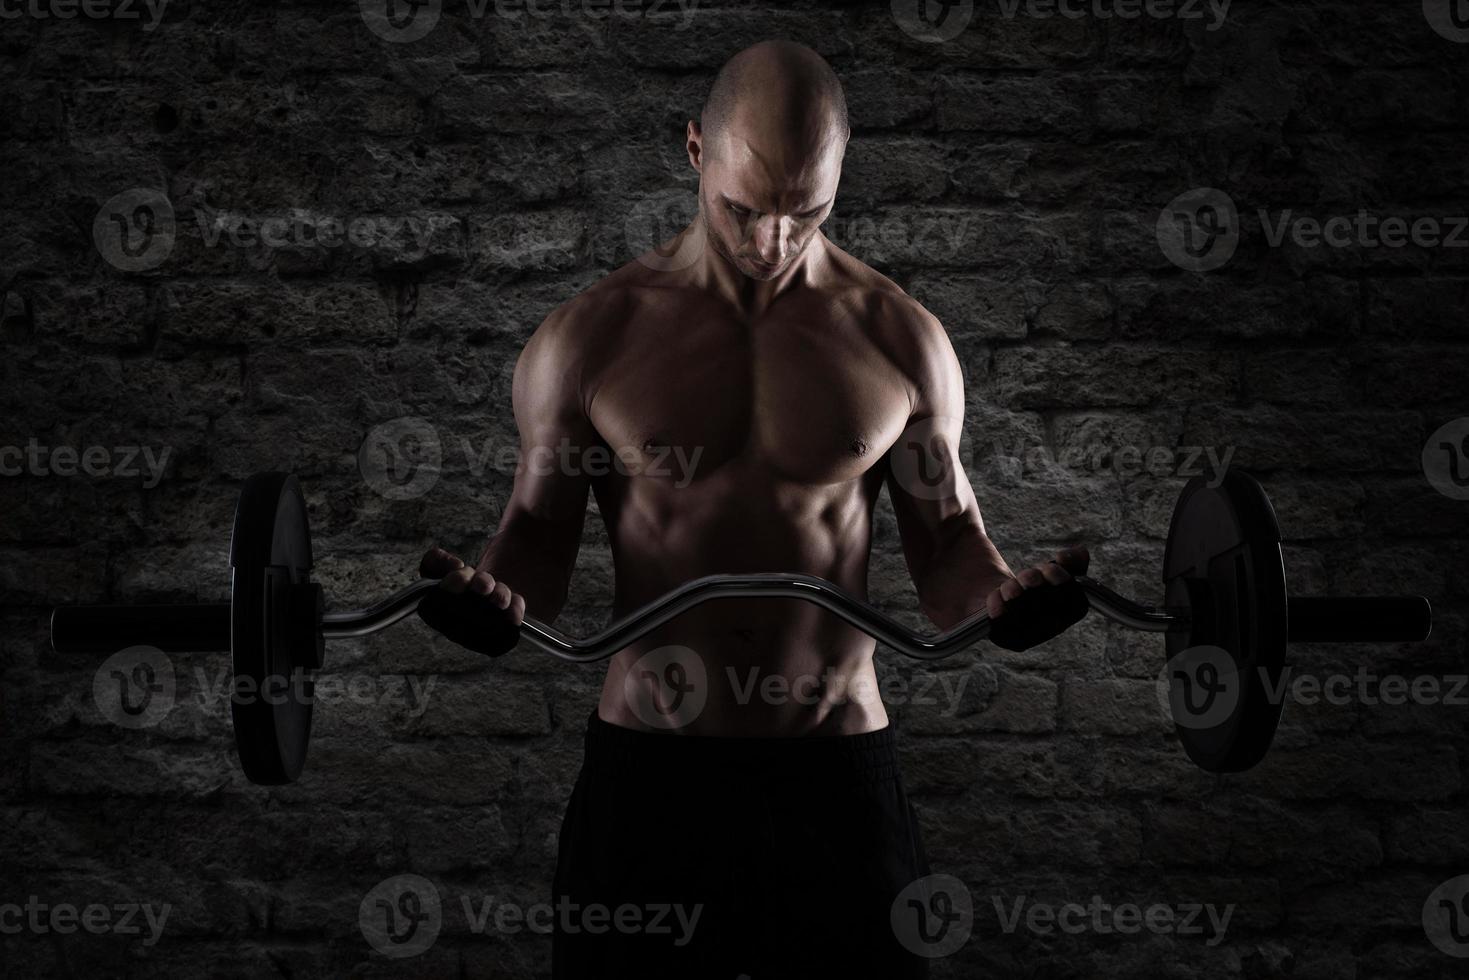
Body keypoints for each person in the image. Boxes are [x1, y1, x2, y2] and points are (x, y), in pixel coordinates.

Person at [417, 39, 1087, 979]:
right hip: (652, 775)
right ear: (695, 150)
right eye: (743, 208)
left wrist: (1003, 603)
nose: (770, 242)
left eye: (804, 211)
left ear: (842, 175)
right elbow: (536, 542)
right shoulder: (590, 338)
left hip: (836, 777)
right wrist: (490, 600)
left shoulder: (898, 340)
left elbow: (948, 555)